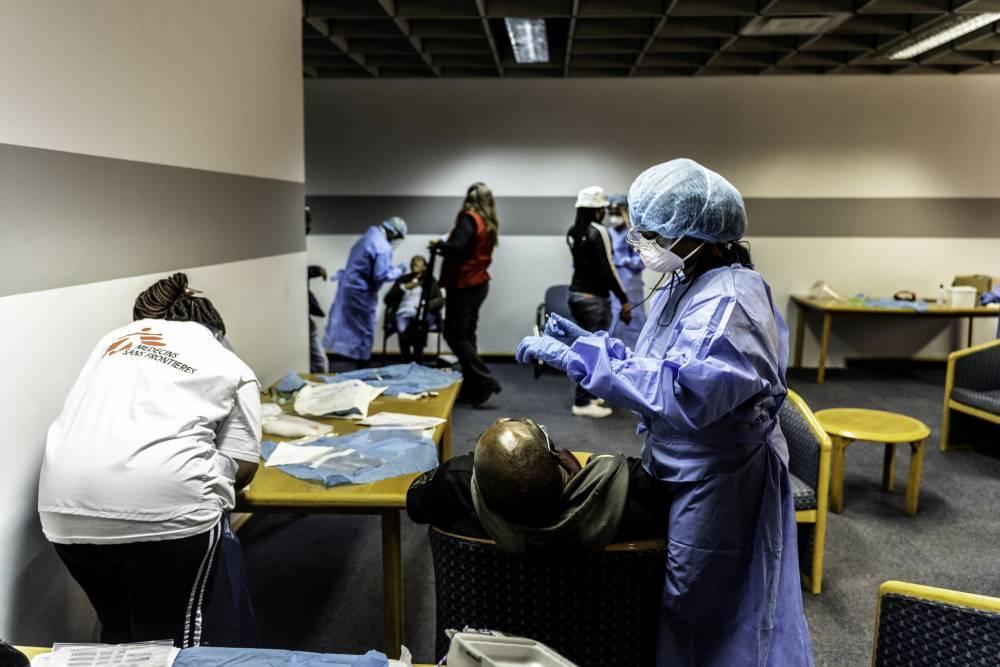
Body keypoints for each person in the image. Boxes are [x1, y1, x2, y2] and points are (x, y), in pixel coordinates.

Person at [515, 159, 812, 666]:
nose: (642, 243)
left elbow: (684, 392)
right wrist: (590, 342)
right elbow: (658, 362)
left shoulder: (732, 300)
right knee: (682, 596)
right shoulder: (686, 280)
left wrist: (581, 361)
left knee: (699, 602)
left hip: (720, 476)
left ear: (696, 233)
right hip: (682, 463)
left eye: (652, 233)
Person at [38, 273, 261, 648]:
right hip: (165, 513)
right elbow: (245, 465)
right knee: (175, 644)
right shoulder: (227, 361)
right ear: (217, 329)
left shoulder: (111, 343)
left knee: (120, 634)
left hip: (64, 512)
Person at [406, 417, 661, 554]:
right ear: (557, 457)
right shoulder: (632, 490)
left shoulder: (454, 486)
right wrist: (582, 478)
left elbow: (414, 502)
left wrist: (486, 460)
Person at [431, 183, 502, 406]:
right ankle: (473, 388)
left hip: (463, 285)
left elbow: (458, 247)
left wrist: (440, 245)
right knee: (467, 335)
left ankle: (484, 380)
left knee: (454, 334)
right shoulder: (488, 221)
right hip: (478, 283)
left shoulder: (468, 218)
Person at [566, 186, 631, 419]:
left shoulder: (574, 231)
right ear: (597, 210)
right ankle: (582, 401)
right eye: (602, 208)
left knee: (587, 347)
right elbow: (608, 268)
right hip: (594, 300)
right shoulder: (599, 231)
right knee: (593, 351)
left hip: (576, 296)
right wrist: (624, 299)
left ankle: (590, 395)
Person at [324, 217, 407, 369]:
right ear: (394, 233)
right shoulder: (382, 247)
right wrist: (399, 270)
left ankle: (360, 365)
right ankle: (363, 370)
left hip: (351, 289)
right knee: (365, 331)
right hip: (361, 294)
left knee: (355, 330)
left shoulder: (369, 236)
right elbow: (380, 275)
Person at [383, 254, 444, 362]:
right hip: (403, 312)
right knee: (402, 330)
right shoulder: (403, 280)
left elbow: (439, 300)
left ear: (424, 266)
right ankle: (406, 360)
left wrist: (426, 305)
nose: (414, 264)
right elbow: (387, 299)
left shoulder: (429, 281)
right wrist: (404, 287)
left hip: (421, 313)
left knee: (420, 327)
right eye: (413, 262)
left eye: (417, 262)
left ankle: (417, 359)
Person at [606, 193, 646, 350]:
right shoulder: (608, 233)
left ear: (624, 212)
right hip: (614, 285)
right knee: (613, 322)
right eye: (612, 213)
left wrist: (624, 261)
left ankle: (634, 358)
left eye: (617, 213)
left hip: (631, 285)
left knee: (633, 321)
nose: (614, 217)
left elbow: (642, 260)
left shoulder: (633, 233)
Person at [305, 205, 328, 373]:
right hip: (296, 315)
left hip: (302, 313)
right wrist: (315, 270)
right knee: (319, 361)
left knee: (319, 361)